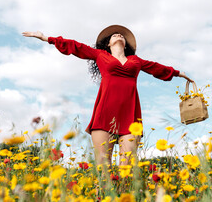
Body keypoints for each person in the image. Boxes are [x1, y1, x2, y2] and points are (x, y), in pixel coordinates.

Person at [22, 25, 193, 168]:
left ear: (125, 44)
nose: (118, 35)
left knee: (127, 167)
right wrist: (45, 37)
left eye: (121, 35)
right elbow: (75, 46)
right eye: (114, 35)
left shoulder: (136, 60)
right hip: (105, 114)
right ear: (108, 44)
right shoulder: (100, 55)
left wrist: (180, 74)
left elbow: (157, 68)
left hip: (131, 116)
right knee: (103, 167)